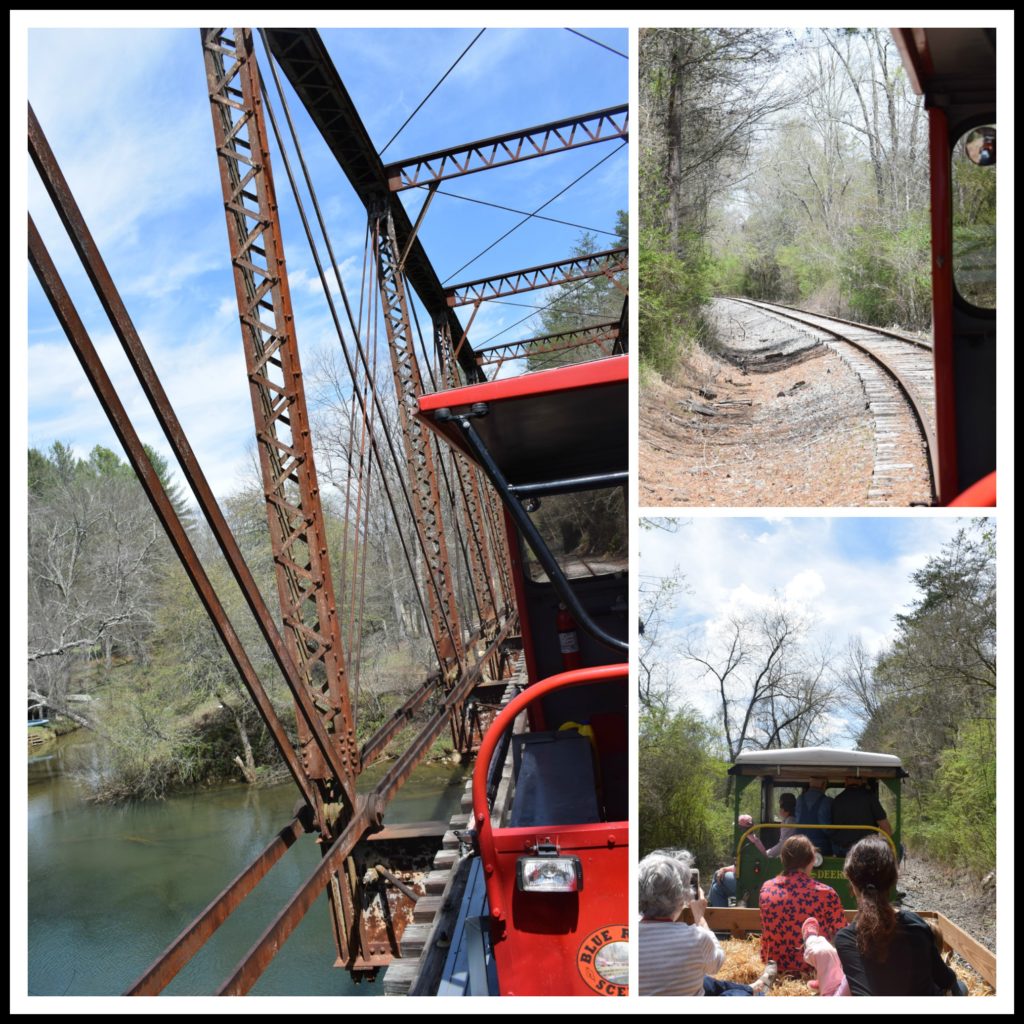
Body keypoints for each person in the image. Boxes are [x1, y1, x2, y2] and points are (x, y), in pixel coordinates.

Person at [834, 835, 966, 996]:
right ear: (893, 880)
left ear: (852, 882)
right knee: (961, 987)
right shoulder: (916, 924)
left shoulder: (845, 939)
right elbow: (945, 979)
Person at [639, 850, 777, 996]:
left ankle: (751, 988)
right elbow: (717, 964)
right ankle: (758, 994)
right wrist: (700, 917)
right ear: (682, 897)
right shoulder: (696, 937)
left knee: (706, 981)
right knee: (734, 995)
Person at [757, 835, 846, 975]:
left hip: (774, 969)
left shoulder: (766, 888)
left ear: (782, 859)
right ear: (812, 860)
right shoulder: (826, 893)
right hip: (813, 971)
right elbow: (841, 934)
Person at [709, 795, 797, 906]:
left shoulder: (745, 842)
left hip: (748, 882)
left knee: (717, 881)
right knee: (717, 884)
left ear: (740, 828)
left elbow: (739, 870)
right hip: (751, 877)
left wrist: (725, 869)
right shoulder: (755, 840)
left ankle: (716, 914)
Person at [829, 777, 892, 856]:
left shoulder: (836, 800)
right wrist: (887, 847)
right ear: (861, 781)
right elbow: (885, 827)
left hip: (842, 850)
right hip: (865, 849)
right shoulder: (870, 798)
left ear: (846, 781)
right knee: (899, 848)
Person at [794, 778, 833, 855]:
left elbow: (797, 820)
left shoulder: (799, 799)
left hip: (801, 843)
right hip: (821, 845)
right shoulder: (828, 801)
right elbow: (826, 827)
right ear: (824, 785)